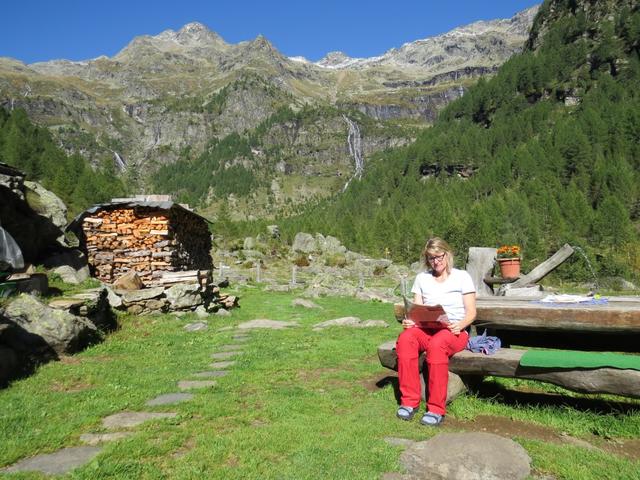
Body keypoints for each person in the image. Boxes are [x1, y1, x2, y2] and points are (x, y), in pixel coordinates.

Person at [395, 237, 476, 426]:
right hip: (427, 329)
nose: (436, 261)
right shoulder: (422, 278)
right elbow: (416, 309)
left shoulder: (462, 276)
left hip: (454, 331)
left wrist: (461, 324)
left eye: (439, 256)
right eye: (431, 258)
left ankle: (436, 408)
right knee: (406, 338)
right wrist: (410, 321)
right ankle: (409, 401)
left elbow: (472, 312)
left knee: (437, 344)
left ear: (447, 255)